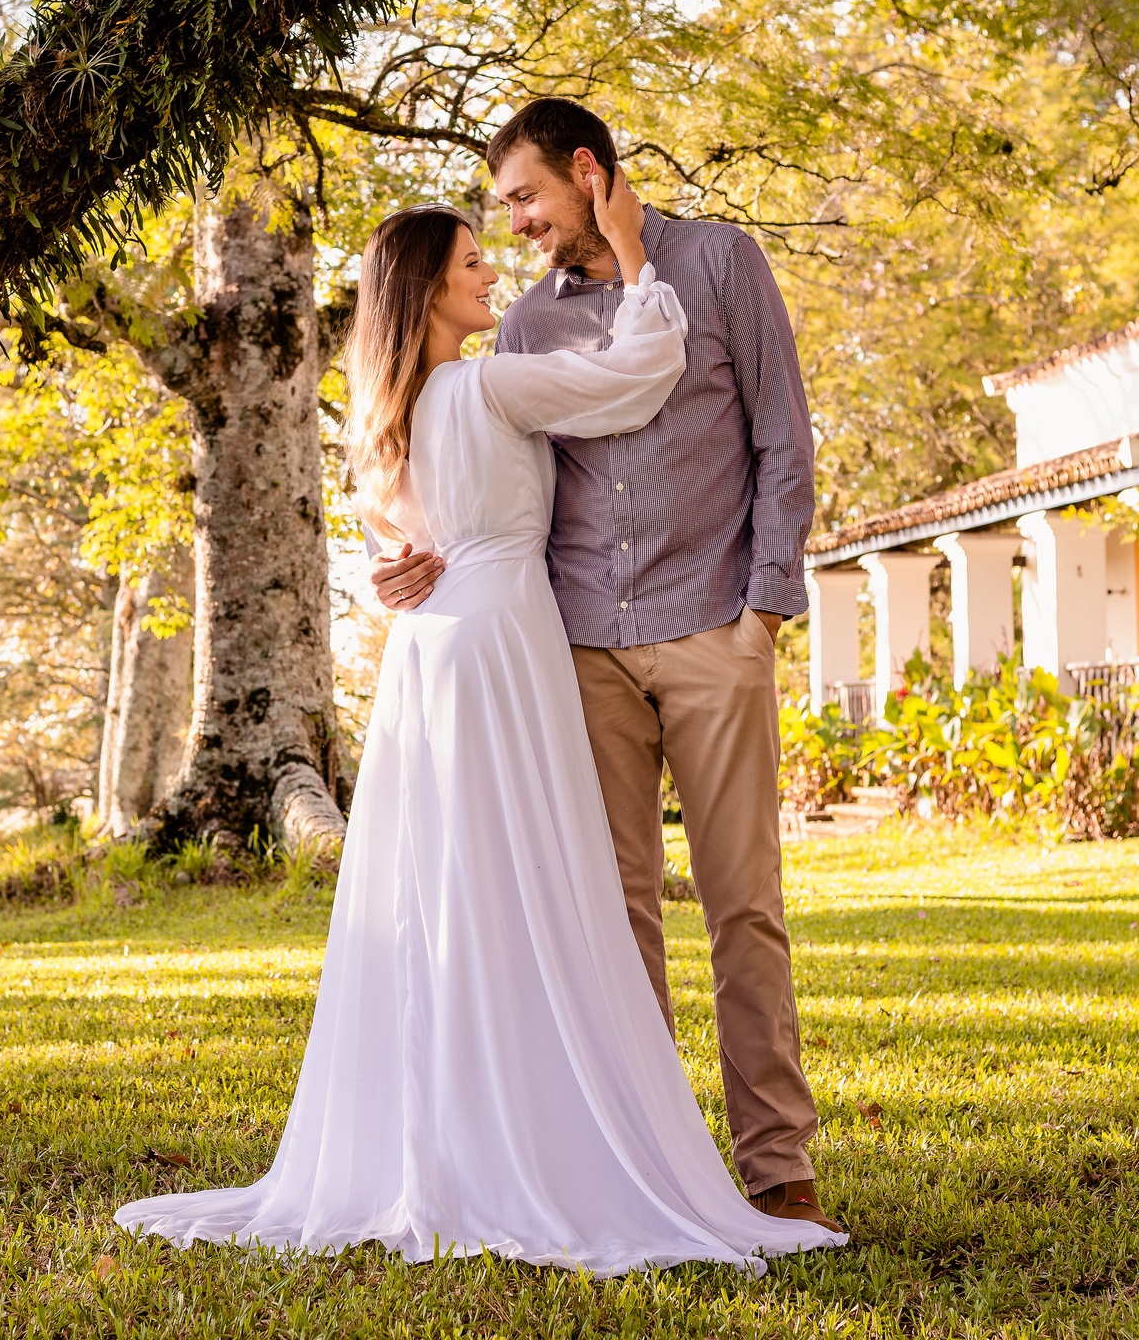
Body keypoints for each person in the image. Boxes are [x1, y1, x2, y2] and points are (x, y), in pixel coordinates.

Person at [114, 185, 846, 1271]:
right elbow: (637, 374)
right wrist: (642, 261)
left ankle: (460, 1133)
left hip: (431, 657)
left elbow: (396, 548)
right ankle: (559, 1141)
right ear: (425, 292)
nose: (490, 270)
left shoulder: (388, 413)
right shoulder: (490, 382)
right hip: (504, 643)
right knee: (541, 890)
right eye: (467, 264)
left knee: (452, 893)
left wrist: (391, 575)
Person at [371, 97, 838, 1234]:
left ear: (586, 172)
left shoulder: (722, 264)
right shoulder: (523, 330)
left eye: (526, 197)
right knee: (612, 917)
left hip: (712, 625)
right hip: (576, 649)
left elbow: (783, 439)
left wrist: (764, 611)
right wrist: (398, 563)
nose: (518, 225)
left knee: (744, 908)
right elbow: (449, 470)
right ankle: (646, 1161)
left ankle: (775, 1164)